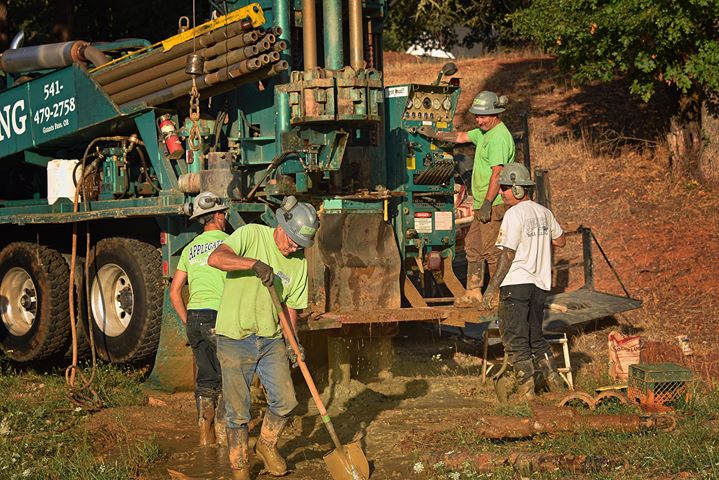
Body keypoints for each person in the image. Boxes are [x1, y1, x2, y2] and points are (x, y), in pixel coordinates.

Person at [208, 195, 319, 480]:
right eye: (293, 240)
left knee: (286, 400)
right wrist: (253, 264)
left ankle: (266, 446)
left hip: (270, 339)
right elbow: (216, 258)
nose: (294, 247)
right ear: (281, 225)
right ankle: (241, 470)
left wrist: (293, 342)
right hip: (234, 336)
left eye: (301, 245)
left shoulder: (298, 262)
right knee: (238, 412)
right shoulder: (251, 234)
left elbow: (291, 307)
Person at [418, 90, 516, 306]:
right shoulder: (484, 132)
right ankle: (474, 292)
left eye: (482, 117)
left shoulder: (499, 137)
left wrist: (488, 203)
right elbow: (461, 137)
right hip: (482, 202)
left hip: (494, 203)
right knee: (472, 245)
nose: (478, 120)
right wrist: (435, 135)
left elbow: (497, 174)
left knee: (491, 250)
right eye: (477, 116)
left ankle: (497, 296)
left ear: (495, 114)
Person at [481, 163, 566, 400]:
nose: (501, 193)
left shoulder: (514, 214)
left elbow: (507, 254)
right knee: (535, 337)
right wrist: (538, 240)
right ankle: (556, 386)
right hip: (539, 285)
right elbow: (560, 241)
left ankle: (526, 394)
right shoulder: (544, 212)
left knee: (515, 338)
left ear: (518, 189)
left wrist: (490, 288)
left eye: (505, 188)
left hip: (516, 284)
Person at [169, 191, 230, 446]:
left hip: (195, 318)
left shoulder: (190, 249)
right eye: (224, 214)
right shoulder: (230, 243)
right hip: (220, 316)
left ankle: (206, 438)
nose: (225, 218)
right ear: (217, 216)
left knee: (206, 379)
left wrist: (187, 321)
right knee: (230, 378)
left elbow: (174, 292)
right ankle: (228, 440)